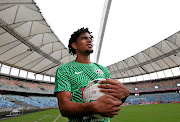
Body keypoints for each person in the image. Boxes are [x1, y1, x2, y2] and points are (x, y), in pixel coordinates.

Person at [54, 27, 129, 122]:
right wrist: (92, 107)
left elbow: (112, 101)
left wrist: (124, 96)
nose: (89, 40)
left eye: (90, 38)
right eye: (84, 38)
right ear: (74, 45)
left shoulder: (103, 70)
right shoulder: (64, 70)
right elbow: (64, 107)